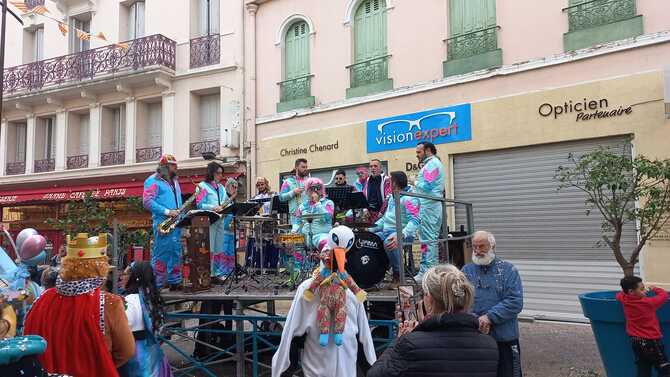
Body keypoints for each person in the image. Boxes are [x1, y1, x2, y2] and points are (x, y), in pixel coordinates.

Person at [24, 233, 135, 377]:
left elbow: (29, 340)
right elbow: (126, 350)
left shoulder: (41, 299)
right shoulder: (110, 303)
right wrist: (99, 364)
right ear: (100, 270)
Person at [368, 264, 499, 377]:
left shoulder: (410, 344)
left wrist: (398, 340)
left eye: (424, 294)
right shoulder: (490, 344)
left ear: (429, 299)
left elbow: (375, 374)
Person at [271, 265, 377, 377]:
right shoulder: (307, 289)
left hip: (346, 371)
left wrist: (370, 369)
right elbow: (291, 336)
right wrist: (282, 371)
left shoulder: (351, 289)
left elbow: (363, 338)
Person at [462, 231, 524, 377]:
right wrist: (474, 320)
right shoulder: (466, 271)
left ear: (493, 246)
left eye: (481, 246)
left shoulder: (508, 270)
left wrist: (489, 318)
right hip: (475, 338)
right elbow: (460, 301)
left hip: (505, 339)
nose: (477, 251)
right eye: (474, 247)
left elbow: (515, 301)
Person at [368, 171, 420, 287]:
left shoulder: (410, 199)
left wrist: (401, 234)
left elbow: (415, 220)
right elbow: (385, 219)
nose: (388, 183)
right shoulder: (392, 197)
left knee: (389, 242)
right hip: (386, 232)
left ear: (395, 183)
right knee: (370, 240)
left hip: (403, 235)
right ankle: (377, 274)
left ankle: (398, 275)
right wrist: (370, 230)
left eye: (390, 181)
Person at [122, 262, 173, 377]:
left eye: (125, 274)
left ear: (133, 277)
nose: (122, 277)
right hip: (155, 354)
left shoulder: (129, 302)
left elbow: (123, 327)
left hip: (136, 356)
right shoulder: (152, 298)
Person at [143, 154, 183, 290]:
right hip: (163, 221)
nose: (175, 168)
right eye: (172, 166)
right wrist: (167, 212)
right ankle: (157, 284)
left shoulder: (175, 182)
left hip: (176, 221)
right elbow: (147, 202)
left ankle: (175, 281)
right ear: (165, 167)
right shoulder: (152, 180)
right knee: (162, 253)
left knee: (176, 252)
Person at [617, 276, 670, 377]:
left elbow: (618, 295)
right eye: (641, 289)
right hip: (652, 343)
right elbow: (664, 295)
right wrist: (655, 288)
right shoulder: (648, 303)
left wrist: (626, 292)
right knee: (664, 369)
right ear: (631, 291)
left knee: (643, 368)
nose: (645, 291)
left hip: (636, 342)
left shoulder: (624, 299)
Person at [195, 162, 234, 280]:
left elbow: (226, 201)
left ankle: (216, 273)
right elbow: (200, 204)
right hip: (209, 220)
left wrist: (229, 202)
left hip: (220, 220)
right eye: (218, 173)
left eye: (222, 173)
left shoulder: (221, 187)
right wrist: (213, 207)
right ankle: (207, 274)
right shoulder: (202, 186)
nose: (221, 176)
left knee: (219, 248)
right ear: (211, 173)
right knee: (209, 248)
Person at [413, 141, 445, 282]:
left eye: (419, 152)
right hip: (431, 206)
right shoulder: (433, 164)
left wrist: (414, 181)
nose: (417, 155)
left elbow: (426, 186)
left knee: (428, 241)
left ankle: (427, 272)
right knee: (428, 240)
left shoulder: (432, 164)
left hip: (429, 207)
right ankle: (429, 271)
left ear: (428, 150)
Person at [292, 178, 335, 252]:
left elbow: (327, 218)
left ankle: (326, 256)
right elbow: (297, 221)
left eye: (318, 188)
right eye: (311, 188)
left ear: (322, 190)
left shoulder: (328, 203)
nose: (315, 191)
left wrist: (317, 203)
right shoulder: (302, 206)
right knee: (290, 244)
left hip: (322, 235)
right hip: (306, 237)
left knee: (325, 244)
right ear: (307, 190)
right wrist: (294, 230)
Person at [248, 177, 279, 269]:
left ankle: (272, 268)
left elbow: (278, 206)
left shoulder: (273, 194)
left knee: (273, 245)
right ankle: (260, 267)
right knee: (260, 246)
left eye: (262, 184)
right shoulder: (254, 198)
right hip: (259, 224)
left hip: (271, 223)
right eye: (258, 185)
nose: (260, 186)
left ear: (266, 184)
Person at [279, 158, 310, 226]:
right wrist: (293, 192)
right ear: (296, 168)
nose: (305, 169)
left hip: (309, 215)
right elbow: (281, 197)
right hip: (295, 216)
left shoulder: (310, 181)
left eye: (306, 167)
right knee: (297, 236)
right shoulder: (288, 181)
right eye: (303, 167)